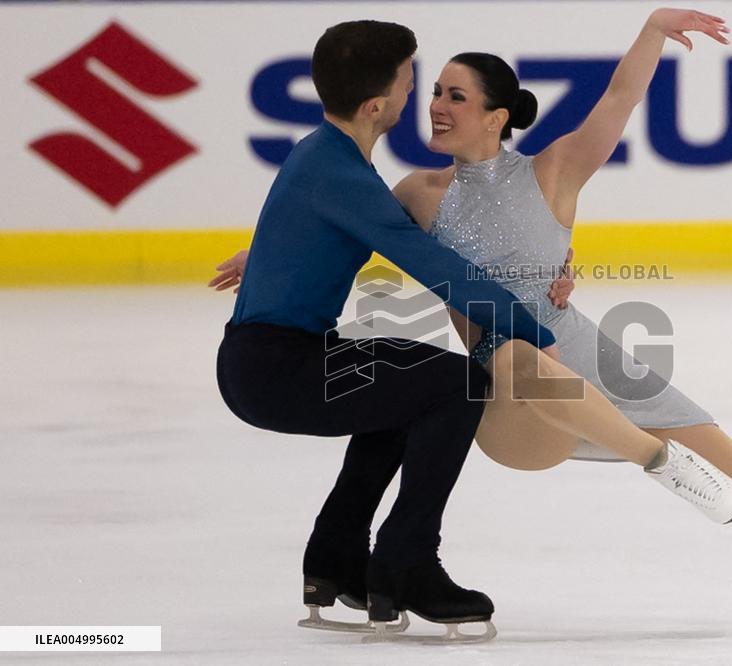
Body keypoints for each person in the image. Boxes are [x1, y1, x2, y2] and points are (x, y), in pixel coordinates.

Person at [218, 9, 732, 544]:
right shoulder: (416, 193)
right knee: (517, 353)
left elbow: (618, 100)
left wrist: (652, 29)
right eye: (433, 91)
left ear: (496, 116)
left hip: (589, 355)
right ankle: (661, 464)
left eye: (455, 96)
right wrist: (262, 255)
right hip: (512, 389)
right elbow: (339, 229)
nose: (434, 106)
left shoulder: (554, 171)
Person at [215, 20, 568, 643]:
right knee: (457, 383)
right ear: (378, 105)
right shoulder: (343, 175)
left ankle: (335, 560)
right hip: (276, 371)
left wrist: (264, 255)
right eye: (411, 84)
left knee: (410, 383)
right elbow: (436, 268)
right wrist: (535, 332)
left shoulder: (323, 155)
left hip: (274, 358)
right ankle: (406, 564)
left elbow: (303, 224)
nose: (419, 100)